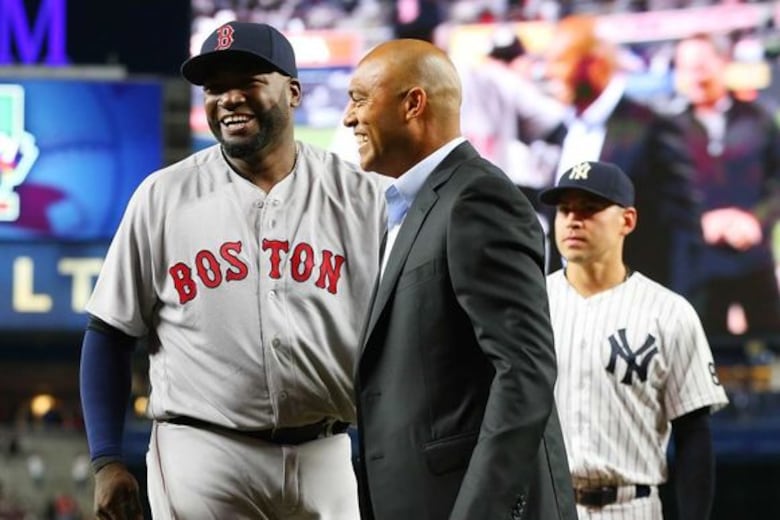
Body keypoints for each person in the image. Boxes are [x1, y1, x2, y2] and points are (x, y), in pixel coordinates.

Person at [79, 21, 387, 519]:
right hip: (202, 448)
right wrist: (106, 460)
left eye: (247, 81)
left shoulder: (361, 197)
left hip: (328, 449)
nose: (229, 98)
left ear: (292, 93)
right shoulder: (162, 196)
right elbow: (109, 331)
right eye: (215, 87)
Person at [343, 38, 576, 520]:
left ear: (413, 103)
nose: (348, 118)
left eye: (360, 98)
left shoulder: (478, 198)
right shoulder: (404, 210)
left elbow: (526, 372)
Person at [539, 160, 729, 519]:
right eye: (564, 209)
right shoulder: (530, 305)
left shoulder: (670, 313)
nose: (573, 220)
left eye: (590, 209)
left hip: (631, 506)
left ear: (627, 220)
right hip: (546, 505)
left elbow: (694, 435)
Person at [541, 14, 701, 295]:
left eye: (560, 61)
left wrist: (672, 309)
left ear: (595, 64)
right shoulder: (561, 132)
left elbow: (682, 230)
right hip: (571, 307)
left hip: (635, 308)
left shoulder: (651, 128)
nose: (549, 72)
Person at [671, 32, 780, 338]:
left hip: (754, 263)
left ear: (723, 63)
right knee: (702, 362)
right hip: (698, 269)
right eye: (686, 67)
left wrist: (755, 219)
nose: (695, 76)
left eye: (702, 66)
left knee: (768, 357)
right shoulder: (669, 130)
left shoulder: (758, 120)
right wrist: (700, 222)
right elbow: (661, 196)